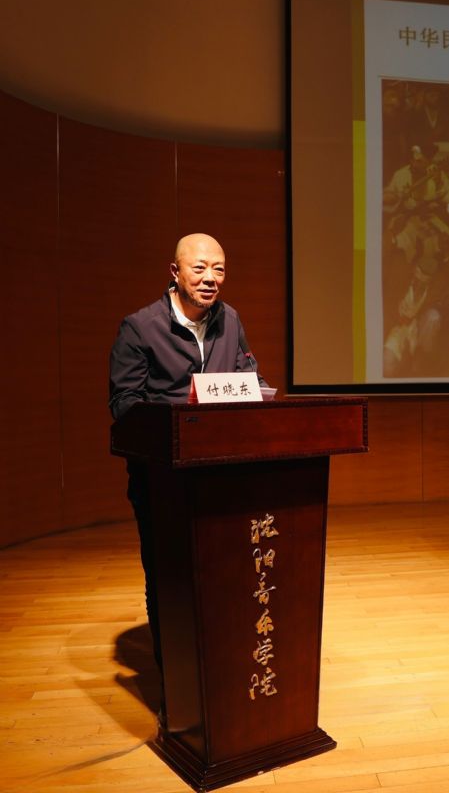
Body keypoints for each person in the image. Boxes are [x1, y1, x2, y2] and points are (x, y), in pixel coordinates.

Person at [109, 233, 266, 714]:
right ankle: (177, 692)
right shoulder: (140, 328)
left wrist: (262, 396)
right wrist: (186, 419)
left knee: (225, 578)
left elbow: (250, 376)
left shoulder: (230, 319)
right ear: (175, 272)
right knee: (170, 581)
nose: (210, 278)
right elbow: (125, 407)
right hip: (164, 482)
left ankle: (222, 681)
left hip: (222, 478)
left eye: (219, 269)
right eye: (199, 268)